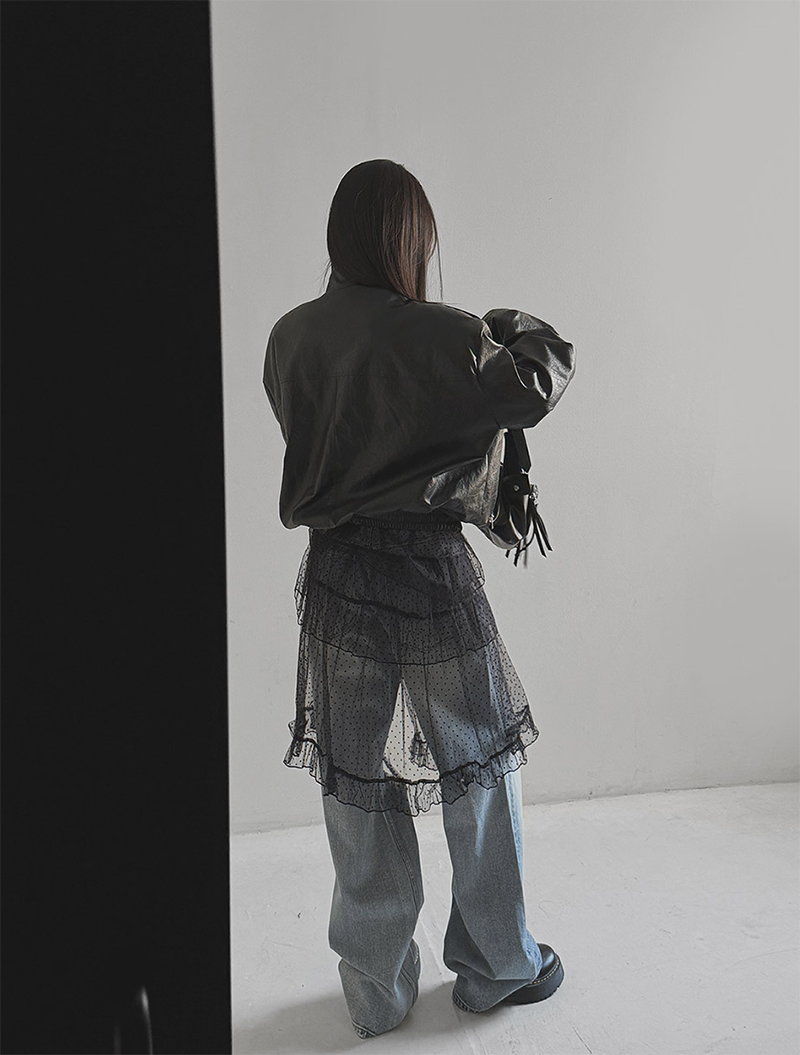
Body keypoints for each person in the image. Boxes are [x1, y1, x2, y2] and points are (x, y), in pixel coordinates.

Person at [262, 159, 576, 1039]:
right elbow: (540, 375)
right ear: (410, 238)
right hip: (430, 577)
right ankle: (496, 964)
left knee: (356, 786)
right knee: (481, 772)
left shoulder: (288, 337)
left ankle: (375, 988)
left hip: (337, 578)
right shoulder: (449, 336)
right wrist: (506, 324)